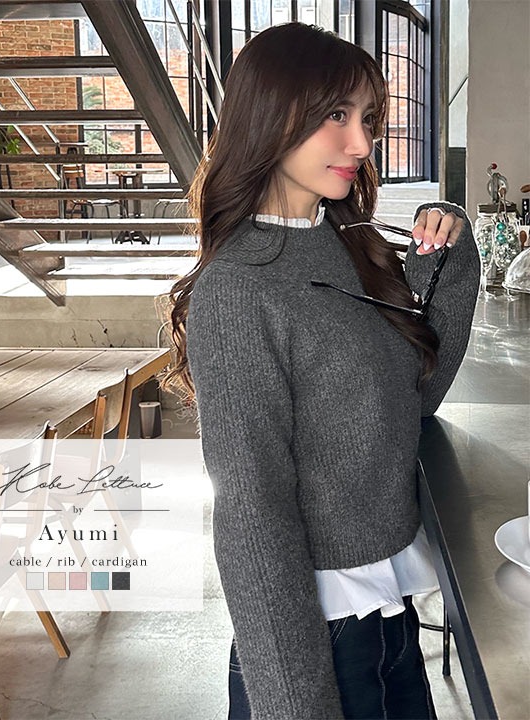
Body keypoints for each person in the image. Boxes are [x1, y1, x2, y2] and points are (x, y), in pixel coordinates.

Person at [158, 21, 481, 720]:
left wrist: (451, 254)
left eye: (367, 118)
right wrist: (296, 704)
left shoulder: (345, 240)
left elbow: (412, 402)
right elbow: (252, 516)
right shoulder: (238, 289)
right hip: (316, 644)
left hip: (389, 621)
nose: (361, 143)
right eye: (336, 115)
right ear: (271, 116)